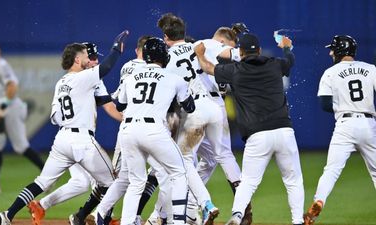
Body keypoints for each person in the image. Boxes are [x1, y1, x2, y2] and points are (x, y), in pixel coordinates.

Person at [0, 30, 129, 225]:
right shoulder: (83, 77)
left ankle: (8, 214)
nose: (88, 58)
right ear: (76, 59)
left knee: (42, 182)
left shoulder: (61, 83)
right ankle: (101, 219)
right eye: (84, 55)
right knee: (112, 182)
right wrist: (116, 49)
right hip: (82, 140)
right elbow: (106, 67)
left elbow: (56, 118)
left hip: (62, 139)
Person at [194, 33, 305, 225]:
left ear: (241, 52)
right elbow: (290, 61)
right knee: (293, 180)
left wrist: (200, 55)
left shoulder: (236, 70)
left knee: (248, 182)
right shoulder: (275, 64)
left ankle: (237, 215)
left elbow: (208, 68)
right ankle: (297, 221)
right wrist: (287, 47)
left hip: (257, 135)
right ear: (260, 50)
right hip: (284, 130)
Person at [157, 13, 241, 225]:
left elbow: (167, 96)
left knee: (182, 161)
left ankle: (203, 205)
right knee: (219, 156)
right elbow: (236, 53)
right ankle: (241, 206)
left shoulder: (166, 58)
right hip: (216, 107)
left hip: (192, 110)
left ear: (166, 37)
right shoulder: (204, 43)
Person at [26, 42, 122, 225]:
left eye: (95, 58)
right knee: (103, 180)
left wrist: (128, 119)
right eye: (92, 57)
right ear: (84, 59)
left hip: (68, 138)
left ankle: (47, 207)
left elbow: (109, 106)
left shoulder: (85, 78)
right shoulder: (85, 76)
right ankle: (99, 217)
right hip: (76, 139)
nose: (95, 61)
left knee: (82, 182)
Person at [107, 37, 195, 225]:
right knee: (179, 173)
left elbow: (121, 104)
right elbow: (190, 108)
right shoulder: (174, 78)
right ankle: (179, 222)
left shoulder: (131, 77)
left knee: (136, 181)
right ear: (164, 55)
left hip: (128, 131)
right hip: (154, 129)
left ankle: (127, 222)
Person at [304, 35, 376, 225]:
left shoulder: (330, 72)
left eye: (332, 49)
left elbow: (325, 104)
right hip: (369, 124)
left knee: (331, 170)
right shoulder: (371, 69)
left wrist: (345, 105)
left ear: (340, 51)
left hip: (345, 125)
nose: (330, 52)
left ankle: (318, 201)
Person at [0, 40, 45, 195]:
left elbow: (12, 86)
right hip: (3, 109)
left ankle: (48, 176)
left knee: (20, 146)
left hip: (10, 108)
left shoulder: (1, 65)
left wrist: (2, 107)